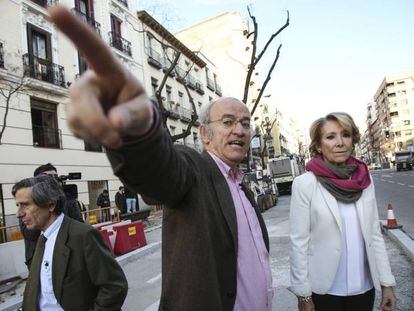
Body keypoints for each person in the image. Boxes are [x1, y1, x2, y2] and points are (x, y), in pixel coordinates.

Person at [49, 7, 272, 310]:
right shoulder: (194, 170)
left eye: (246, 123)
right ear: (204, 134)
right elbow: (161, 171)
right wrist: (137, 126)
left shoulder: (241, 183)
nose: (240, 130)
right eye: (228, 122)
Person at [289, 112, 396, 311]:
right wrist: (303, 294)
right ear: (319, 145)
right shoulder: (305, 184)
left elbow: (374, 234)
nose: (340, 142)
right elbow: (298, 242)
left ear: (352, 140)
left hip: (364, 288)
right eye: (330, 137)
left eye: (345, 135)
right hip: (325, 291)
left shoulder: (364, 179)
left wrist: (387, 283)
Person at [13, 175, 128, 310]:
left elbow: (114, 286)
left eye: (25, 205)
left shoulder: (84, 236)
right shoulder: (42, 238)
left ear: (51, 204)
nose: (18, 214)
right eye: (18, 205)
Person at [19, 163, 83, 270]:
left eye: (55, 177)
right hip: (39, 259)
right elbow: (29, 234)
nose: (52, 181)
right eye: (48, 177)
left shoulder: (65, 199)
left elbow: (79, 226)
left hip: (65, 257)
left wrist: (64, 202)